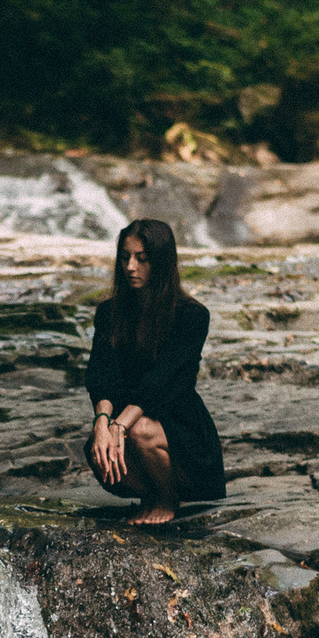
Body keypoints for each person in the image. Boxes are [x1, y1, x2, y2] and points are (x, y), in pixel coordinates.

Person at [82, 218, 225, 525]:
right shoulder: (109, 313)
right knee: (99, 449)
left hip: (183, 435)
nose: (130, 267)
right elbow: (101, 374)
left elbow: (162, 382)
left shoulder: (192, 316)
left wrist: (120, 426)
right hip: (129, 425)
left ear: (160, 262)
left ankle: (167, 498)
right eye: (125, 257)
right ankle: (151, 494)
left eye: (142, 259)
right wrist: (102, 424)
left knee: (140, 430)